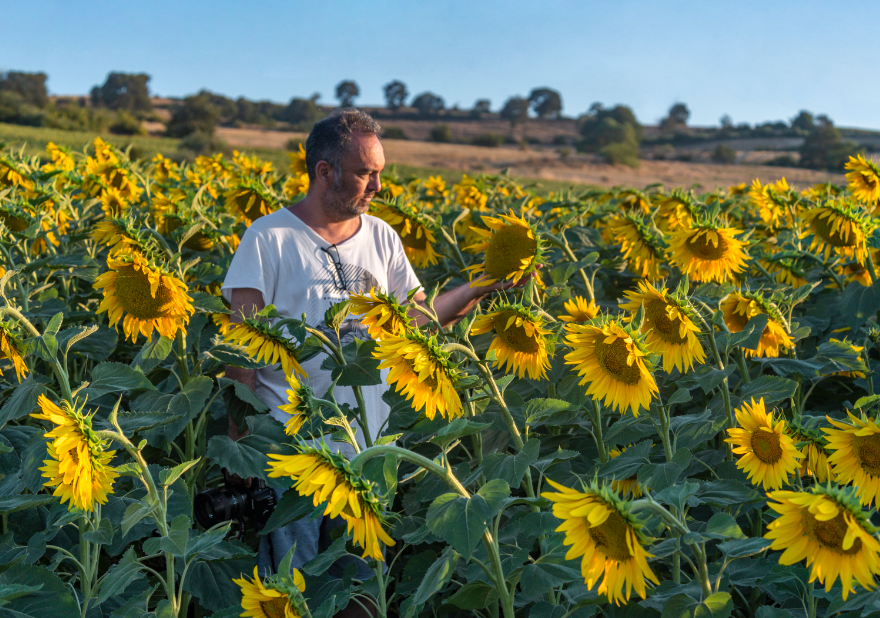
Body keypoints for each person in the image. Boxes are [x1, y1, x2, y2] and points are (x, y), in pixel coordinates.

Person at [222, 109, 519, 617]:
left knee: (362, 590)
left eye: (380, 171)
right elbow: (243, 356)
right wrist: (240, 456)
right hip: (294, 455)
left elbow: (418, 320)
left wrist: (477, 288)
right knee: (293, 592)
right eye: (366, 172)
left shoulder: (381, 237)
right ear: (324, 171)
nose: (379, 185)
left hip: (369, 452)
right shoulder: (268, 239)